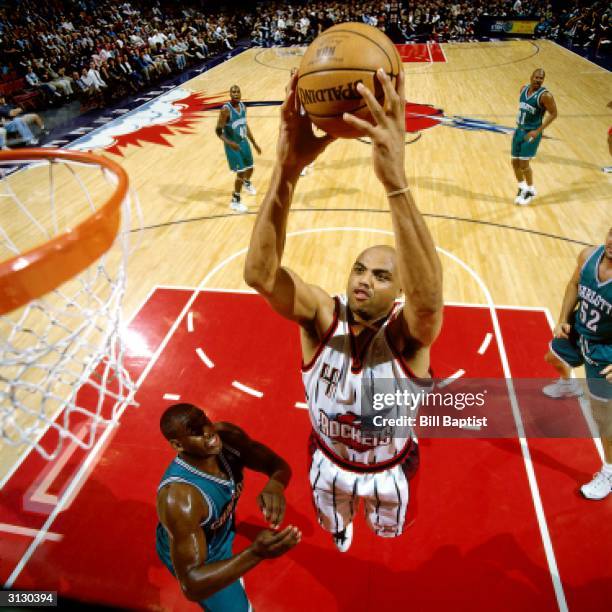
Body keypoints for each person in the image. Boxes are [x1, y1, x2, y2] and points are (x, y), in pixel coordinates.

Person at [244, 69, 443, 551]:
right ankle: (340, 526)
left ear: (397, 292)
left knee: (389, 532)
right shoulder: (320, 318)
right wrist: (286, 171)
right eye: (359, 269)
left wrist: (395, 184)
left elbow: (427, 301)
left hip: (388, 469)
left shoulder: (406, 338)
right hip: (328, 462)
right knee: (335, 523)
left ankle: (375, 522)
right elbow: (260, 277)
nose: (362, 279)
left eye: (379, 275)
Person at [156, 403, 300, 610]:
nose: (207, 432)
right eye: (195, 432)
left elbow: (277, 465)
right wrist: (255, 553)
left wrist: (275, 486)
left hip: (218, 531)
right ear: (178, 445)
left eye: (203, 420)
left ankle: (230, 570)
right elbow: (191, 584)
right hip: (202, 557)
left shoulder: (228, 438)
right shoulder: (181, 499)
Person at [543, 228, 612, 499]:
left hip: (605, 350)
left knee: (603, 416)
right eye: (611, 234)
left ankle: (609, 471)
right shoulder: (588, 256)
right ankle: (568, 385)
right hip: (579, 331)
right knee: (552, 357)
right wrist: (562, 318)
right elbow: (573, 285)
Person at [511, 68, 558, 206]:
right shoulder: (523, 89)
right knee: (514, 163)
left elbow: (554, 114)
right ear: (531, 77)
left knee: (524, 164)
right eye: (536, 77)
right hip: (519, 130)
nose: (538, 80)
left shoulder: (545, 96)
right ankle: (522, 187)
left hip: (531, 133)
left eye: (541, 78)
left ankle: (531, 189)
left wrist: (538, 131)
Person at [216, 85, 261, 213]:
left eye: (237, 91)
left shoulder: (243, 106)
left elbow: (245, 126)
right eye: (233, 92)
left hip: (243, 142)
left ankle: (246, 183)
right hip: (232, 146)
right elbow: (218, 131)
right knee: (240, 172)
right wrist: (230, 143)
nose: (235, 94)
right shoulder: (226, 110)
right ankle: (235, 201)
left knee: (250, 168)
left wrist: (254, 143)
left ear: (241, 93)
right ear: (230, 94)